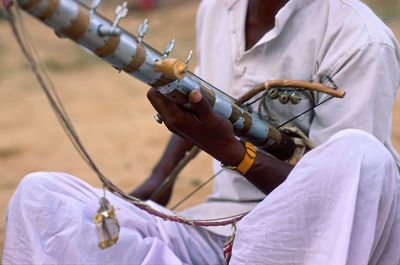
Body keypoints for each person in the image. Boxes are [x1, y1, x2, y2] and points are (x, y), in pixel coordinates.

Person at [3, 0, 400, 264]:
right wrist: (159, 180)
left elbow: (341, 203)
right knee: (43, 197)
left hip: (306, 248)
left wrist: (233, 152)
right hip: (214, 229)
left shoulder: (361, 40)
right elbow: (206, 100)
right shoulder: (218, 8)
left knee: (362, 155)